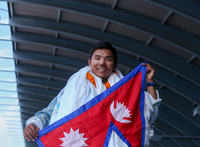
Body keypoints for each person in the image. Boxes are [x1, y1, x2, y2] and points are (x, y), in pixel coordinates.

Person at [23, 41, 161, 146]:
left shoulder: (124, 91)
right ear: (90, 62)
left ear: (115, 64)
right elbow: (49, 112)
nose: (102, 63)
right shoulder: (73, 88)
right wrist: (34, 125)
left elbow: (148, 117)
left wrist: (149, 82)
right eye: (97, 58)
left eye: (108, 59)